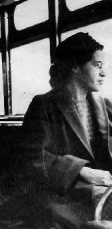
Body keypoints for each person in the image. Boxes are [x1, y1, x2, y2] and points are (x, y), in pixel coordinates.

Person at [22, 32, 112, 228]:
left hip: (104, 194)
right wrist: (80, 171)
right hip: (63, 200)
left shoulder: (105, 107)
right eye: (97, 65)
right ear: (75, 66)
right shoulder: (44, 105)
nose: (104, 72)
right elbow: (31, 159)